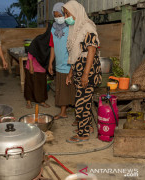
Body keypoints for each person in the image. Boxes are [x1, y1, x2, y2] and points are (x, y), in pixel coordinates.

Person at [63, 0, 102, 143]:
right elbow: (76, 54)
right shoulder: (76, 29)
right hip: (80, 69)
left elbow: (91, 50)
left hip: (88, 70)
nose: (66, 16)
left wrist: (85, 74)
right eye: (64, 13)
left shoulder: (87, 27)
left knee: (81, 103)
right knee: (85, 100)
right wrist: (70, 73)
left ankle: (83, 133)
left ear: (76, 11)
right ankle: (88, 127)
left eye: (68, 13)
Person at [48, 2, 75, 120]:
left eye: (60, 15)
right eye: (55, 16)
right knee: (61, 88)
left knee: (71, 89)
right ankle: (63, 111)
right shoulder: (53, 29)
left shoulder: (71, 28)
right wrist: (50, 62)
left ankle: (76, 114)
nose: (58, 18)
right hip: (58, 64)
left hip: (69, 63)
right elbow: (52, 46)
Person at [24, 24, 52, 109]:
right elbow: (30, 52)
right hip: (32, 66)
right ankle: (29, 102)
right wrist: (31, 66)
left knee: (41, 85)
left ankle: (42, 101)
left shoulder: (51, 42)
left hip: (42, 68)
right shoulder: (39, 39)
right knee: (29, 84)